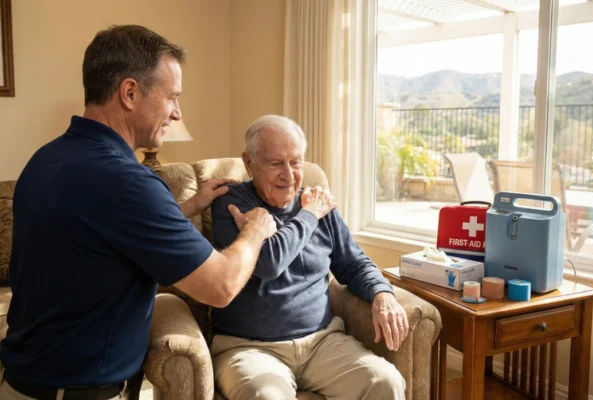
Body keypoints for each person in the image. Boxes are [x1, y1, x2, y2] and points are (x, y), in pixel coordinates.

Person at [0, 25, 276, 400]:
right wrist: (256, 230)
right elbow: (220, 286)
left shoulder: (46, 159)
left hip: (21, 382)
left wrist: (185, 208)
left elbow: (99, 237)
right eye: (172, 97)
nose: (177, 113)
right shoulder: (127, 182)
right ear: (130, 92)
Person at [210, 114, 409, 400]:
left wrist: (382, 294)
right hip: (249, 347)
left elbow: (353, 263)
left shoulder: (319, 206)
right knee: (265, 396)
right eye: (276, 163)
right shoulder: (232, 202)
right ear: (248, 162)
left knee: (385, 381)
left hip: (321, 342)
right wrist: (309, 214)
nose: (289, 175)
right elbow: (268, 264)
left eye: (296, 162)